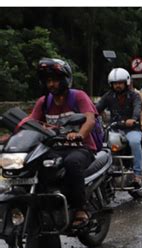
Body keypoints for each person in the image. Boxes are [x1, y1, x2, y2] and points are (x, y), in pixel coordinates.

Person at [30, 58, 98, 228]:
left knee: (71, 163)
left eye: (54, 80)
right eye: (48, 81)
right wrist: (10, 137)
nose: (51, 84)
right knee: (35, 164)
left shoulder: (78, 96)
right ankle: (45, 208)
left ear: (65, 79)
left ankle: (81, 208)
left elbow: (90, 120)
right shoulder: (43, 102)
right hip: (55, 149)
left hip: (81, 148)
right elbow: (30, 122)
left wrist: (79, 135)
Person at [96, 68, 142, 185]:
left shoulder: (134, 96)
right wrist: (89, 115)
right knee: (104, 145)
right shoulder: (108, 96)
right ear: (111, 84)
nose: (118, 86)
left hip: (132, 128)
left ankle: (138, 174)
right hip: (115, 128)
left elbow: (137, 107)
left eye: (120, 83)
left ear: (126, 83)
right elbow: (97, 108)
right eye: (115, 83)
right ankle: (105, 172)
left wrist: (133, 119)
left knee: (134, 142)